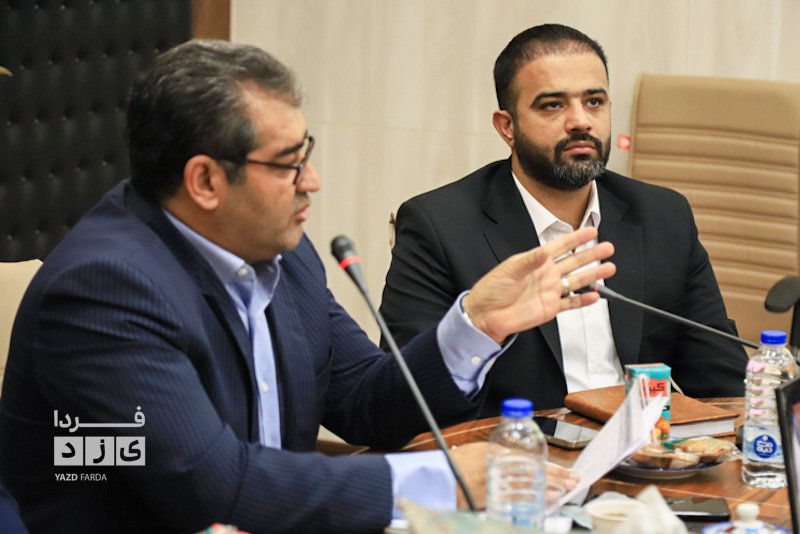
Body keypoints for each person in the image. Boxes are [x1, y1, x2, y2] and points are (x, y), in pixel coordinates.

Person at [0, 40, 615, 534]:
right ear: (205, 181)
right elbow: (216, 486)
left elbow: (368, 403)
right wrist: (439, 481)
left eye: (308, 153)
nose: (312, 181)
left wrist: (476, 324)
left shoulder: (282, 254)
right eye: (289, 163)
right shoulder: (105, 290)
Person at [380, 23, 749, 417]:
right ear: (507, 127)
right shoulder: (438, 227)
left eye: (594, 101)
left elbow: (724, 381)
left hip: (643, 448)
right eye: (553, 105)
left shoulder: (664, 216)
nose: (580, 121)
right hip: (516, 447)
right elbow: (403, 401)